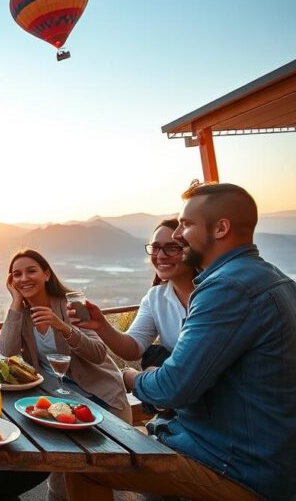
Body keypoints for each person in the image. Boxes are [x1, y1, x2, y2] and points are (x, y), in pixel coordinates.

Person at [67, 182, 296, 501]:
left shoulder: (226, 289)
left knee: (85, 465)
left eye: (186, 224)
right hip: (256, 454)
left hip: (236, 466)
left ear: (221, 228)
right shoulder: (274, 279)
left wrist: (132, 378)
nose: (177, 235)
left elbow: (173, 387)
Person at [0, 249, 130, 501]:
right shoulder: (23, 314)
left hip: (97, 398)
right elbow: (6, 351)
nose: (24, 278)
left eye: (31, 271)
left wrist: (62, 326)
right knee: (58, 477)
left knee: (69, 474)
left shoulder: (71, 304)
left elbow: (97, 352)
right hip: (56, 400)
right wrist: (16, 302)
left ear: (46, 273)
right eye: (16, 274)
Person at [71, 219, 197, 387]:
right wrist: (101, 325)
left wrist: (136, 378)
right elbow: (133, 348)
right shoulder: (155, 298)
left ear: (191, 251)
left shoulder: (215, 294)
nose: (160, 255)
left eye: (171, 247)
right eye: (155, 247)